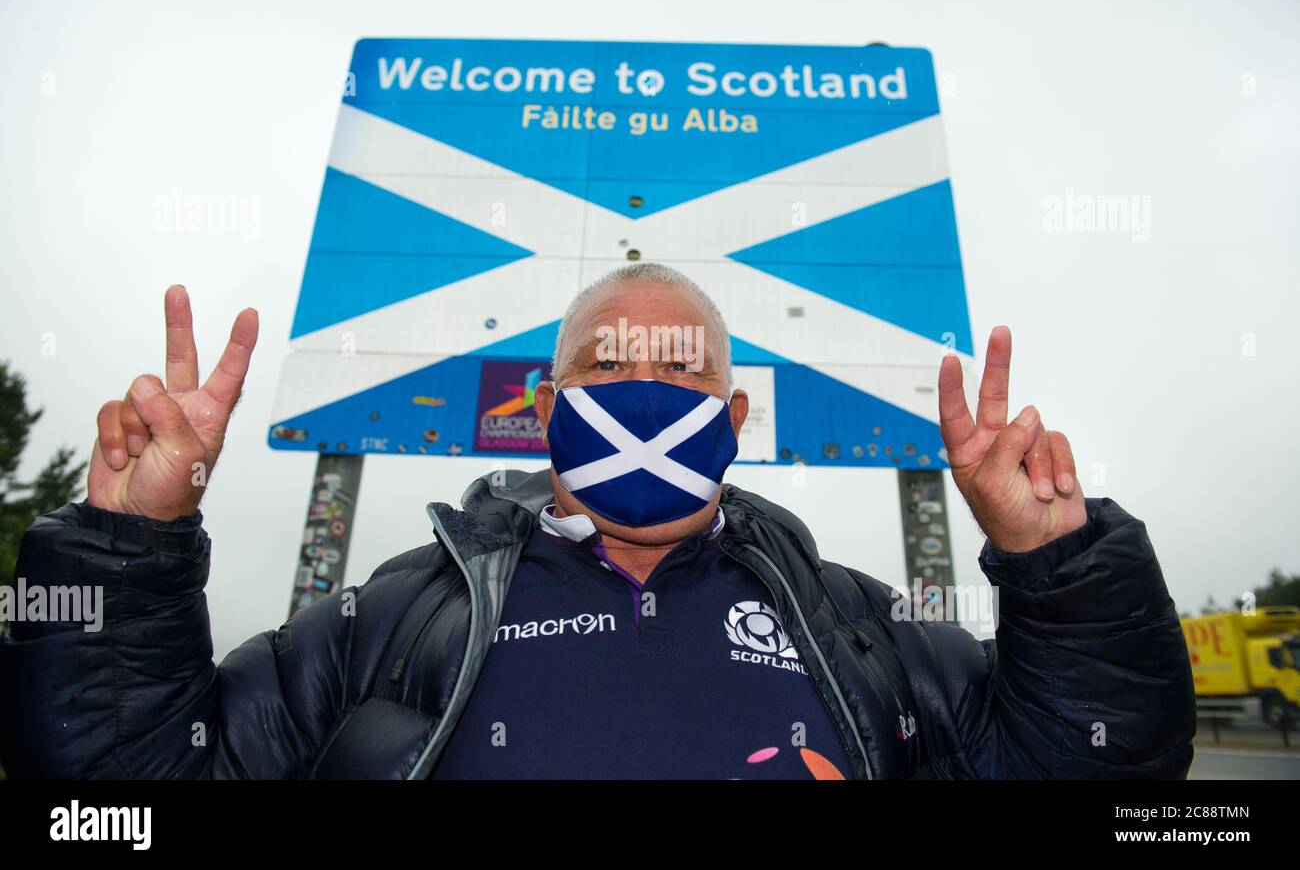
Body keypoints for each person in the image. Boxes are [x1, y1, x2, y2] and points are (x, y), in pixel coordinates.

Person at [0, 265, 1195, 779]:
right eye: (606, 364)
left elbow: (1095, 769)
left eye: (678, 373)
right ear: (548, 403)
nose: (643, 391)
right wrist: (132, 543)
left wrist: (1057, 563)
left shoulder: (856, 631)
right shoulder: (390, 621)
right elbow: (119, 796)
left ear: (732, 410)